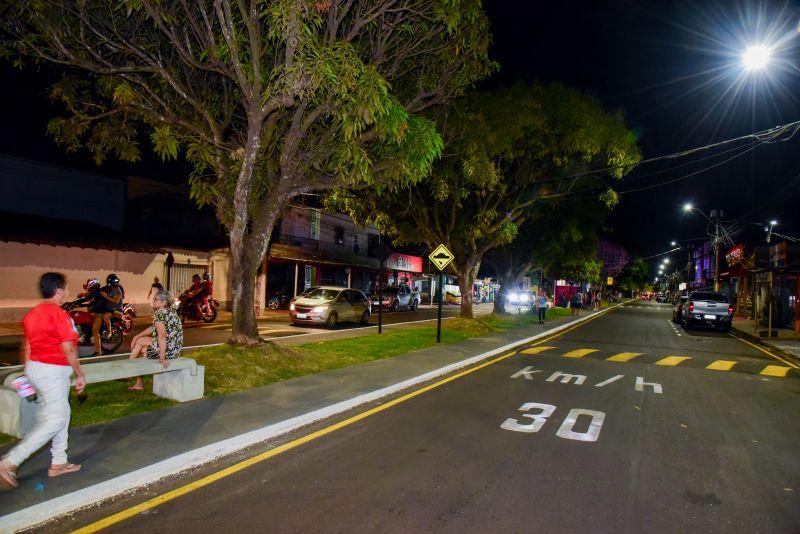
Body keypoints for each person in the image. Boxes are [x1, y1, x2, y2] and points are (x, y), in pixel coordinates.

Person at [0, 273, 85, 489]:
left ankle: (59, 462)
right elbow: (68, 348)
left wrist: (29, 373)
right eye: (66, 288)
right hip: (53, 371)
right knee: (55, 419)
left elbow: (27, 346)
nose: (67, 291)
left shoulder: (33, 314)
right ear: (58, 290)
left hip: (36, 368)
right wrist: (80, 373)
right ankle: (10, 462)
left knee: (61, 413)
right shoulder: (58, 314)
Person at [128, 290, 183, 391]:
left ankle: (127, 370)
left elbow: (162, 336)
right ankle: (137, 382)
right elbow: (154, 327)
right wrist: (136, 336)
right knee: (141, 348)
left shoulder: (159, 313)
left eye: (155, 299)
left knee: (140, 343)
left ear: (163, 302)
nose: (153, 300)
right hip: (175, 350)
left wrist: (162, 358)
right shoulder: (171, 311)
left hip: (167, 351)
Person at [99, 274, 124, 343]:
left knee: (105, 316)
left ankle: (109, 332)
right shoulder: (111, 288)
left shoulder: (117, 290)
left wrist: (105, 296)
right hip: (110, 309)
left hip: (116, 310)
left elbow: (115, 301)